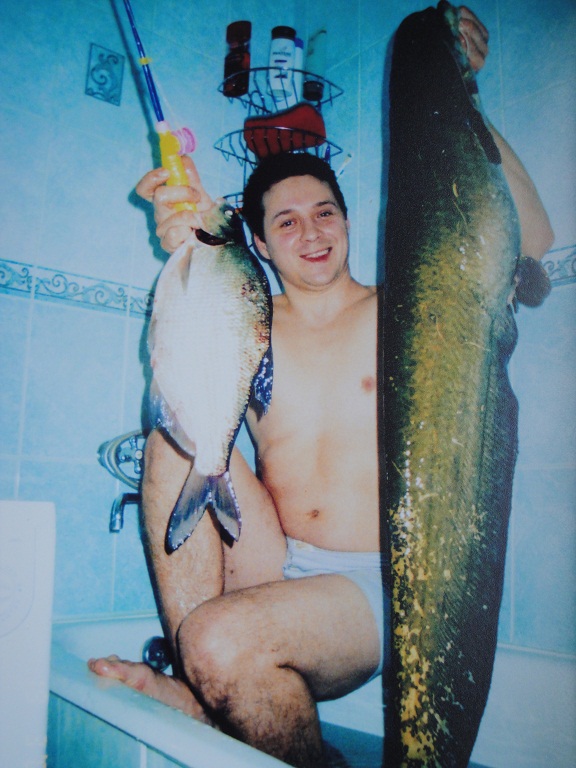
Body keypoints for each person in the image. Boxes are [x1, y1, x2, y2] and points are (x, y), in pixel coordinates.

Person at [88, 7, 553, 767]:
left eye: (325, 213)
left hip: (384, 585)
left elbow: (530, 241)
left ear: (347, 221)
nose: (311, 233)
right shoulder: (243, 314)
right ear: (260, 242)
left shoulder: (407, 312)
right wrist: (189, 243)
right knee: (172, 441)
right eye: (286, 222)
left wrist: (460, 101)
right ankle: (210, 686)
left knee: (217, 639)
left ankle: (207, 679)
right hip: (274, 559)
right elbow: (181, 356)